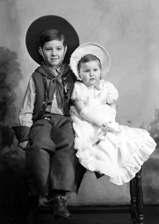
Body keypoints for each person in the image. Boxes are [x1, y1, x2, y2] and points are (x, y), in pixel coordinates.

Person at [15, 15, 85, 220]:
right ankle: (47, 192)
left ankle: (58, 195)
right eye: (48, 49)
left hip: (65, 120)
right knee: (39, 145)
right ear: (40, 51)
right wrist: (24, 135)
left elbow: (86, 98)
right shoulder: (37, 76)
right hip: (42, 120)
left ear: (65, 50)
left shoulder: (74, 74)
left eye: (58, 49)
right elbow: (27, 107)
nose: (53, 53)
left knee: (68, 143)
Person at [69, 42, 156, 185]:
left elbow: (112, 105)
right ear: (79, 73)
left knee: (124, 139)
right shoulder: (80, 88)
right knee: (99, 144)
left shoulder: (106, 87)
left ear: (100, 71)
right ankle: (104, 162)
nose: (91, 74)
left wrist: (110, 118)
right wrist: (100, 122)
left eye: (95, 70)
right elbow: (82, 111)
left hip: (107, 121)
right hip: (88, 122)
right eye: (86, 71)